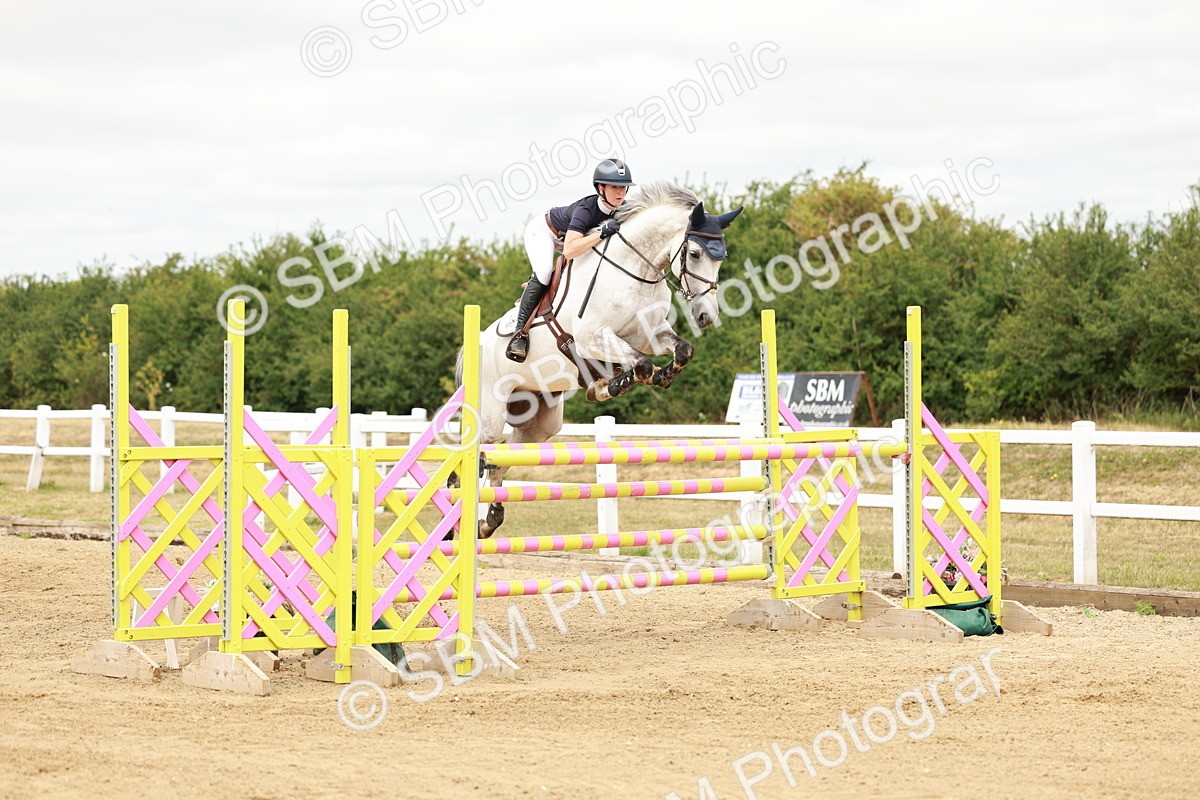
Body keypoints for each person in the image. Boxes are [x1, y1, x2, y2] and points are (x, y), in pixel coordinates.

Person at [505, 158, 634, 362]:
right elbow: (570, 250)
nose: (621, 193)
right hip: (546, 233)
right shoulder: (586, 209)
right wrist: (601, 233)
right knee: (545, 271)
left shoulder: (623, 209)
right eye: (614, 187)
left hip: (573, 238)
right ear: (601, 188)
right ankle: (519, 334)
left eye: (624, 187)